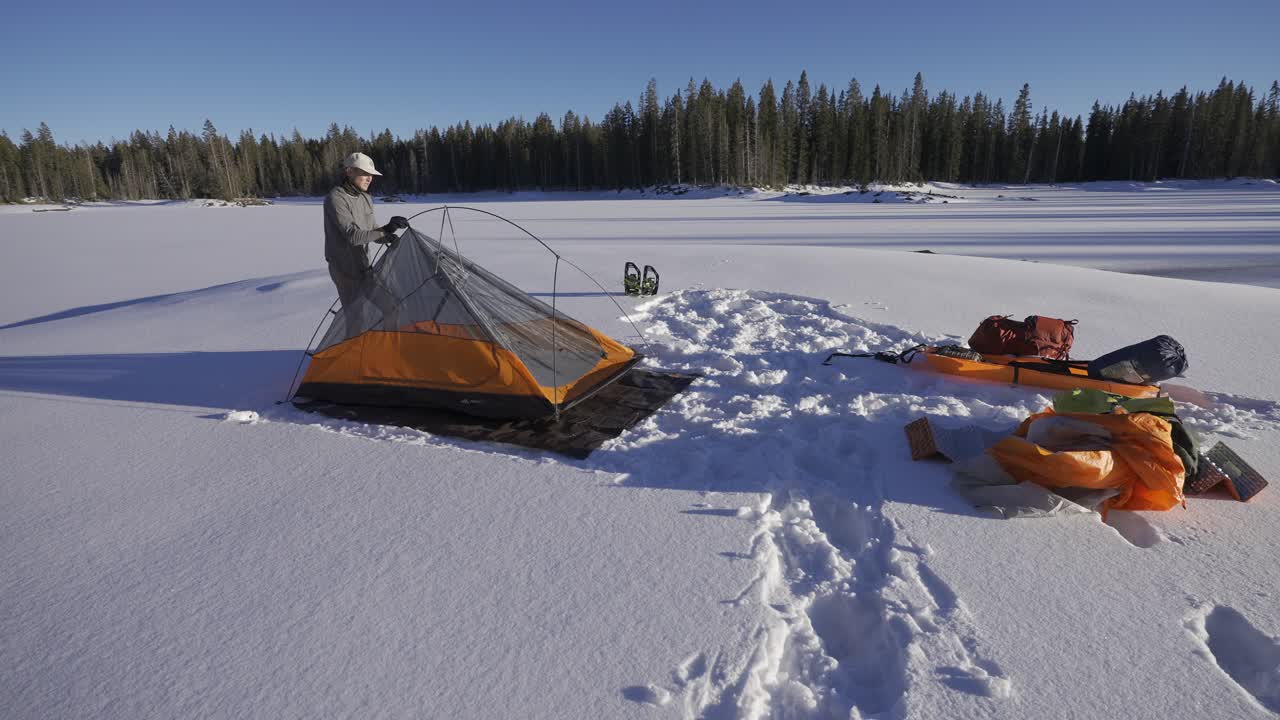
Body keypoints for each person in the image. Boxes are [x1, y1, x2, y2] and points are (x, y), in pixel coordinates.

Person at [323, 152, 409, 332]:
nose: (369, 178)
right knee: (357, 321)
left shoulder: (365, 198)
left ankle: (388, 344)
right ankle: (354, 350)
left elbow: (371, 229)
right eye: (364, 173)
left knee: (392, 307)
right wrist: (385, 229)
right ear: (349, 172)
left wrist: (387, 236)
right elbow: (353, 236)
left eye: (371, 174)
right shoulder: (335, 199)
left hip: (365, 267)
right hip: (344, 271)